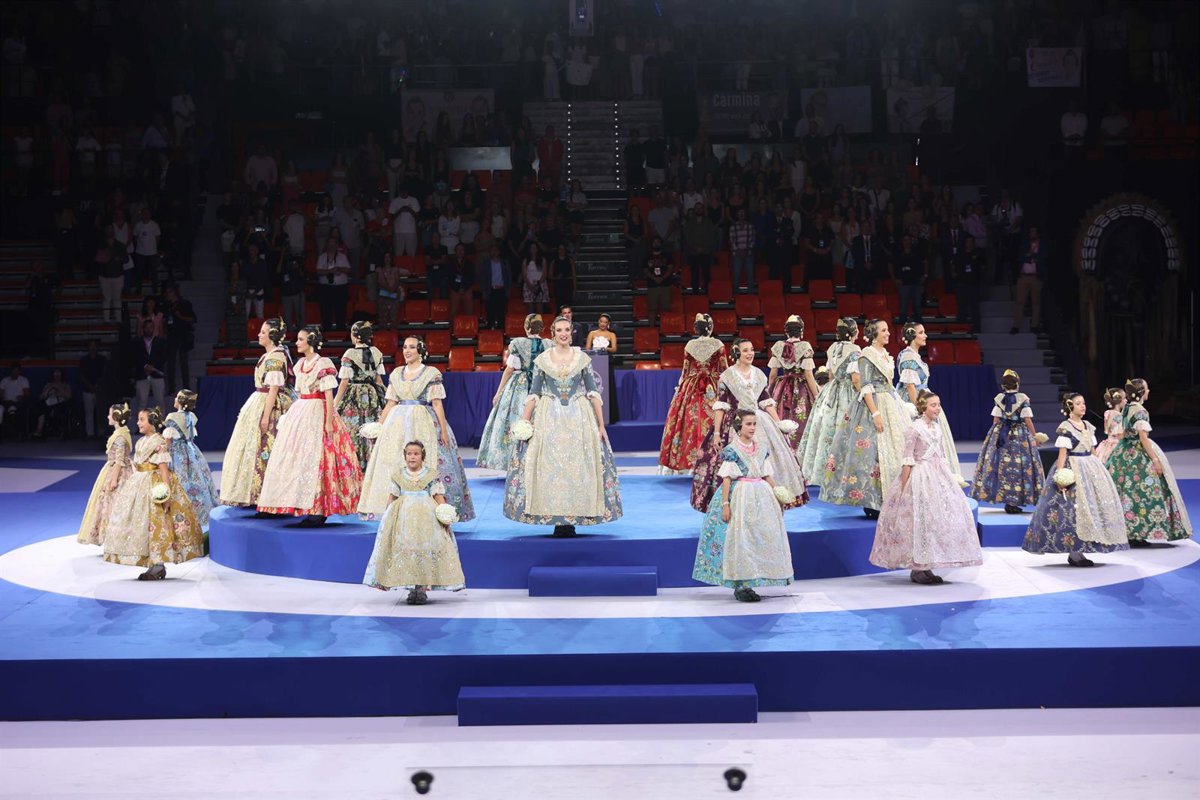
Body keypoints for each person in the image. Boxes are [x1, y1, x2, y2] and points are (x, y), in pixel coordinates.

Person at [503, 317, 622, 536]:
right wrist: (525, 421)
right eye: (559, 330)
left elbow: (593, 392)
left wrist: (601, 425)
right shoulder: (542, 360)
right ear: (553, 333)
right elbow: (534, 393)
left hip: (579, 416)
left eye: (567, 329)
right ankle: (557, 518)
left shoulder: (582, 358)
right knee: (552, 466)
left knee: (576, 465)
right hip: (549, 417)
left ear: (572, 332)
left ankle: (573, 517)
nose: (564, 333)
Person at [870, 391, 983, 584]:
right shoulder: (914, 429)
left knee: (934, 520)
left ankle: (927, 565)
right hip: (920, 477)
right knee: (919, 520)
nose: (937, 408)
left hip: (937, 475)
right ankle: (917, 568)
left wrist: (949, 476)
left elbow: (941, 455)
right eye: (933, 405)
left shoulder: (937, 428)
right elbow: (907, 458)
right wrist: (903, 488)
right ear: (923, 408)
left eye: (938, 404)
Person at [358, 337, 474, 521]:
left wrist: (443, 431)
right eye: (405, 347)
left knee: (430, 462)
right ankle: (395, 511)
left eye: (411, 347)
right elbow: (390, 403)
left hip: (425, 422)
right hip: (397, 424)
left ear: (420, 351)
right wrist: (379, 426)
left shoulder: (431, 373)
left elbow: (437, 403)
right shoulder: (396, 373)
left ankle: (434, 511)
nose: (407, 351)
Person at [257, 326, 363, 526]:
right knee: (296, 457)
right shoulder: (300, 365)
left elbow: (329, 395)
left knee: (320, 458)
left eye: (301, 339)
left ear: (311, 341)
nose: (297, 343)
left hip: (318, 411)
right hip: (302, 410)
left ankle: (319, 508)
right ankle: (297, 503)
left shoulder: (323, 363)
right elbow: (299, 392)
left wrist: (329, 421)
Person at [691, 338, 809, 513]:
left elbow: (766, 402)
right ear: (737, 353)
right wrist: (716, 433)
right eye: (745, 350)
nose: (750, 353)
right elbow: (721, 405)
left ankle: (766, 502)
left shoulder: (759, 374)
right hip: (736, 423)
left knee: (766, 463)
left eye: (752, 349)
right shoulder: (727, 376)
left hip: (759, 422)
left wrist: (778, 423)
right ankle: (734, 503)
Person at [692, 410, 795, 602]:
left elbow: (767, 474)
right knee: (741, 538)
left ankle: (755, 578)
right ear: (739, 426)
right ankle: (740, 585)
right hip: (741, 496)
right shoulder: (732, 450)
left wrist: (778, 494)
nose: (752, 427)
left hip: (761, 496)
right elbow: (727, 478)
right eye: (748, 424)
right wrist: (725, 504)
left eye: (754, 424)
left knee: (759, 536)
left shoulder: (761, 448)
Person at [1023, 392, 1130, 566]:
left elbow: (1093, 451)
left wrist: (1100, 469)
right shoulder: (1066, 428)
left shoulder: (1088, 426)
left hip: (1090, 466)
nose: (1083, 406)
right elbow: (1062, 455)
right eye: (1078, 403)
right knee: (1073, 510)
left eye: (1084, 403)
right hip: (1073, 468)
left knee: (1091, 508)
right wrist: (1061, 477)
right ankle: (1075, 553)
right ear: (1070, 406)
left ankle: (1084, 548)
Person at [820, 319, 911, 518]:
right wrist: (875, 413)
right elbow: (865, 386)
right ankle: (874, 502)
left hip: (890, 403)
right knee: (872, 453)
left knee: (896, 449)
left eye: (887, 330)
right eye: (884, 330)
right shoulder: (866, 355)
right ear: (874, 334)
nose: (888, 333)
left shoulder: (885, 354)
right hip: (873, 405)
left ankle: (895, 498)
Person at [101, 406, 205, 580]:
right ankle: (152, 562)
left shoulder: (159, 442)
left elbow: (164, 469)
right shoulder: (141, 442)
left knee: (157, 523)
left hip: (154, 485)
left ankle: (158, 565)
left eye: (142, 420)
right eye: (138, 419)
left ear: (152, 422)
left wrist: (166, 494)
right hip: (140, 483)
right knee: (142, 524)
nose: (138, 423)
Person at [363, 441, 466, 604]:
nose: (412, 457)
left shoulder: (431, 475)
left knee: (424, 549)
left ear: (422, 456)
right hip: (403, 519)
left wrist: (445, 516)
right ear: (404, 456)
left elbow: (438, 496)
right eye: (409, 453)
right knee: (408, 549)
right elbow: (392, 497)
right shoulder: (398, 475)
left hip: (427, 520)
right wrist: (386, 518)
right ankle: (412, 589)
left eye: (416, 454)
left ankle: (422, 589)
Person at [1105, 378, 1193, 544]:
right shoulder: (1140, 411)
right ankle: (1138, 533)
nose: (1149, 391)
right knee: (1141, 492)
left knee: (1125, 491)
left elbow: (1123, 433)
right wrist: (1155, 460)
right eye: (1146, 388)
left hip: (1123, 452)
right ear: (1141, 392)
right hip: (1138, 455)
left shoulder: (1127, 408)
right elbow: (1143, 438)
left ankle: (1126, 532)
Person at [220, 319, 295, 509]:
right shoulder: (270, 354)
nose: (259, 335)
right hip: (260, 400)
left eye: (263, 332)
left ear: (272, 335)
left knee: (267, 446)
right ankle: (256, 494)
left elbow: (274, 387)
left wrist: (265, 416)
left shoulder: (276, 356)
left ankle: (267, 495)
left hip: (270, 404)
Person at [477, 314, 548, 471]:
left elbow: (509, 369)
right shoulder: (548, 344)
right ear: (542, 328)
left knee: (515, 419)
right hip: (542, 385)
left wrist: (498, 392)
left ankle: (515, 461)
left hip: (520, 386)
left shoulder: (518, 343)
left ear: (526, 327)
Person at [659, 314, 728, 473]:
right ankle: (712, 461)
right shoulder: (718, 344)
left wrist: (681, 389)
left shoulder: (690, 345)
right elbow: (724, 369)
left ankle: (690, 460)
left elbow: (685, 371)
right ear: (710, 327)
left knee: (689, 420)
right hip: (713, 385)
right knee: (713, 418)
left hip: (691, 386)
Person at [971, 369, 1046, 514]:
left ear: (1003, 386)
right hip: (1020, 434)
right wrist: (1035, 435)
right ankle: (1017, 499)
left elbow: (996, 419)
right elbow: (1027, 419)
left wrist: (994, 437)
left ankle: (1005, 499)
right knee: (1020, 465)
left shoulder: (999, 398)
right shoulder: (1023, 398)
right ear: (1017, 384)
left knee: (1002, 465)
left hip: (1002, 433)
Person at [896, 323, 962, 477]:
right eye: (921, 332)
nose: (925, 335)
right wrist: (920, 410)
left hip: (923, 397)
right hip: (915, 401)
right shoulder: (908, 356)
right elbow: (910, 386)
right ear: (913, 336)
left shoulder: (913, 355)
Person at [77, 403, 133, 546]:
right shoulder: (121, 433)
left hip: (117, 472)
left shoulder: (120, 437)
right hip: (114, 469)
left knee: (112, 504)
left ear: (116, 417)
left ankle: (116, 538)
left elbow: (119, 461)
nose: (108, 417)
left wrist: (114, 480)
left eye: (110, 414)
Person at [334, 321, 387, 472]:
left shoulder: (350, 354)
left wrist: (335, 403)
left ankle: (355, 464)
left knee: (352, 428)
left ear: (356, 336)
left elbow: (344, 382)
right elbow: (378, 380)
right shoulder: (376, 352)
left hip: (354, 394)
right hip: (372, 394)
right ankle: (370, 465)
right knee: (371, 426)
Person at [163, 389, 218, 530]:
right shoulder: (191, 416)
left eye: (177, 397)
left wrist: (163, 452)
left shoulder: (172, 417)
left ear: (181, 401)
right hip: (191, 451)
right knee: (197, 478)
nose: (174, 399)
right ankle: (199, 511)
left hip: (177, 453)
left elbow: (168, 440)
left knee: (179, 479)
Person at [767, 316, 820, 450]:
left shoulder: (778, 346)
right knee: (802, 417)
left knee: (781, 414)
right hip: (801, 388)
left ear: (786, 331)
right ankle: (799, 449)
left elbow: (773, 374)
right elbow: (808, 374)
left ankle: (784, 448)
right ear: (801, 330)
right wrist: (817, 395)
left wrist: (770, 390)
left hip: (782, 387)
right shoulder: (805, 346)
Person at [1010, 226, 1045, 335]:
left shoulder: (1042, 245)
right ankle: (1016, 326)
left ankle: (1034, 326)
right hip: (1024, 276)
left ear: (1038, 233)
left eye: (1033, 231)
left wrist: (1031, 256)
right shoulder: (1025, 245)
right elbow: (1021, 257)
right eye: (1030, 232)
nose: (1031, 233)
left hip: (1036, 277)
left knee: (1036, 302)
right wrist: (1032, 257)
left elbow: (1042, 257)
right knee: (1020, 302)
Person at [163, 284, 197, 393]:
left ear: (174, 292)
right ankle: (171, 388)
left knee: (183, 362)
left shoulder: (185, 304)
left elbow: (192, 319)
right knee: (171, 363)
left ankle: (186, 387)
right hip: (171, 336)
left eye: (169, 292)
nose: (167, 294)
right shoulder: (166, 306)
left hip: (183, 335)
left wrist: (180, 316)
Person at [132, 318, 167, 414]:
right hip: (141, 374)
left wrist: (153, 366)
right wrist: (145, 366)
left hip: (157, 373)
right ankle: (141, 422)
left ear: (154, 329)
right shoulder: (137, 342)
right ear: (143, 329)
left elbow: (164, 357)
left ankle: (161, 422)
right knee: (142, 402)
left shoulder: (160, 342)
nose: (148, 329)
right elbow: (134, 357)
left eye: (151, 327)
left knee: (160, 401)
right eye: (147, 327)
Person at [315, 239, 351, 330]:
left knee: (341, 311)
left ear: (336, 245)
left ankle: (341, 330)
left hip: (340, 288)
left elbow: (348, 270)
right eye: (330, 244)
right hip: (326, 288)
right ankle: (326, 331)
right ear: (327, 245)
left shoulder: (342, 257)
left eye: (333, 244)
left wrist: (339, 269)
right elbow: (318, 271)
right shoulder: (322, 257)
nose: (331, 246)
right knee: (326, 311)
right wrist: (329, 271)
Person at [682, 203, 718, 294]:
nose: (698, 209)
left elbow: (712, 236)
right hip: (693, 252)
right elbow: (687, 237)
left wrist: (703, 247)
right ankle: (695, 292)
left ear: (703, 209)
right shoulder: (690, 223)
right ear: (694, 210)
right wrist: (695, 248)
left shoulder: (708, 222)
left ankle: (707, 292)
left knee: (706, 273)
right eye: (697, 208)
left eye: (700, 208)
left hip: (706, 252)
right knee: (694, 273)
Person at [953, 234, 984, 332]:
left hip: (973, 284)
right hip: (962, 283)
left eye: (971, 242)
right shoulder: (960, 254)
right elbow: (954, 267)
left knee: (974, 307)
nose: (969, 244)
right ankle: (960, 328)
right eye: (967, 242)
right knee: (962, 306)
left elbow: (982, 267)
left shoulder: (978, 254)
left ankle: (976, 328)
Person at [32, 367, 72, 438]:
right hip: (48, 404)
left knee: (57, 409)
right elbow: (41, 397)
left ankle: (59, 430)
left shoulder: (65, 384)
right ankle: (39, 430)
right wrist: (49, 389)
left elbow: (69, 396)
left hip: (61, 404)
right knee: (40, 407)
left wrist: (57, 387)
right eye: (55, 373)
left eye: (59, 373)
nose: (57, 375)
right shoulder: (48, 385)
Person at [894, 235, 925, 323]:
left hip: (916, 283)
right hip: (904, 284)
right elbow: (893, 266)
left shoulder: (917, 254)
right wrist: (895, 279)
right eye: (905, 240)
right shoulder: (898, 254)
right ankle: (901, 327)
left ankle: (919, 327)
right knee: (903, 307)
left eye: (908, 240)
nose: (907, 242)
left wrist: (924, 276)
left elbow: (923, 265)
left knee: (917, 307)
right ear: (902, 242)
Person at [479, 244, 510, 330]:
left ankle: (501, 330)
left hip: (501, 289)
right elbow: (483, 278)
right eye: (492, 250)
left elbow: (508, 276)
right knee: (490, 311)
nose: (494, 252)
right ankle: (490, 329)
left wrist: (508, 289)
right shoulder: (486, 263)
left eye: (495, 250)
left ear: (499, 252)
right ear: (489, 252)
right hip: (490, 290)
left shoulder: (504, 263)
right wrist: (483, 291)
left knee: (501, 311)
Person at [644, 237, 674, 327]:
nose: (656, 244)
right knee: (652, 309)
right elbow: (645, 270)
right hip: (652, 286)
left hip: (665, 285)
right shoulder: (647, 256)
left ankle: (666, 328)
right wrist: (654, 278)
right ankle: (651, 329)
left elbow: (670, 268)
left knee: (666, 309)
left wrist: (663, 278)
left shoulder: (667, 256)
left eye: (658, 242)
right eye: (654, 242)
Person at [79, 340, 106, 439]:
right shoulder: (84, 360)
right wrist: (90, 386)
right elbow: (81, 376)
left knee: (101, 413)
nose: (93, 348)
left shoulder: (102, 359)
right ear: (88, 348)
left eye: (94, 346)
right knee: (89, 413)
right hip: (87, 390)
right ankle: (90, 433)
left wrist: (98, 386)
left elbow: (105, 374)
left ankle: (101, 432)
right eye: (91, 346)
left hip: (100, 390)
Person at [728, 207, 756, 293]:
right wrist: (738, 250)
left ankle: (751, 294)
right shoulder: (733, 227)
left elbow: (753, 240)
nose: (741, 214)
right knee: (736, 275)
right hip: (737, 254)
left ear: (745, 215)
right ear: (737, 215)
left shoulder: (750, 226)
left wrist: (747, 249)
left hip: (748, 254)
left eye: (743, 213)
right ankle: (736, 295)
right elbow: (731, 241)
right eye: (739, 213)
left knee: (750, 275)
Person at [0, 363, 31, 440]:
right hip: (6, 402)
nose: (15, 372)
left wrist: (22, 397)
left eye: (17, 371)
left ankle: (20, 433)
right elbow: (1, 394)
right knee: (1, 409)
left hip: (18, 402)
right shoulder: (4, 380)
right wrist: (3, 399)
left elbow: (27, 394)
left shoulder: (23, 380)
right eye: (13, 371)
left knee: (20, 409)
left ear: (19, 372)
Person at [1096, 387, 1125, 463]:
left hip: (1108, 444)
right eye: (1124, 398)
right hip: (1116, 445)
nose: (1126, 400)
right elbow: (1120, 435)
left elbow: (1107, 430)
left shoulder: (1108, 413)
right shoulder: (1118, 416)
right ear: (1119, 400)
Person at [522, 242, 550, 314]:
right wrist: (530, 285)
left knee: (539, 306)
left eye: (534, 248)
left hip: (540, 284)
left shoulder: (542, 260)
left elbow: (544, 273)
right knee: (530, 308)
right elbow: (524, 275)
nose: (533, 250)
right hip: (529, 285)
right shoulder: (526, 260)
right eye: (532, 248)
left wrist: (538, 285)